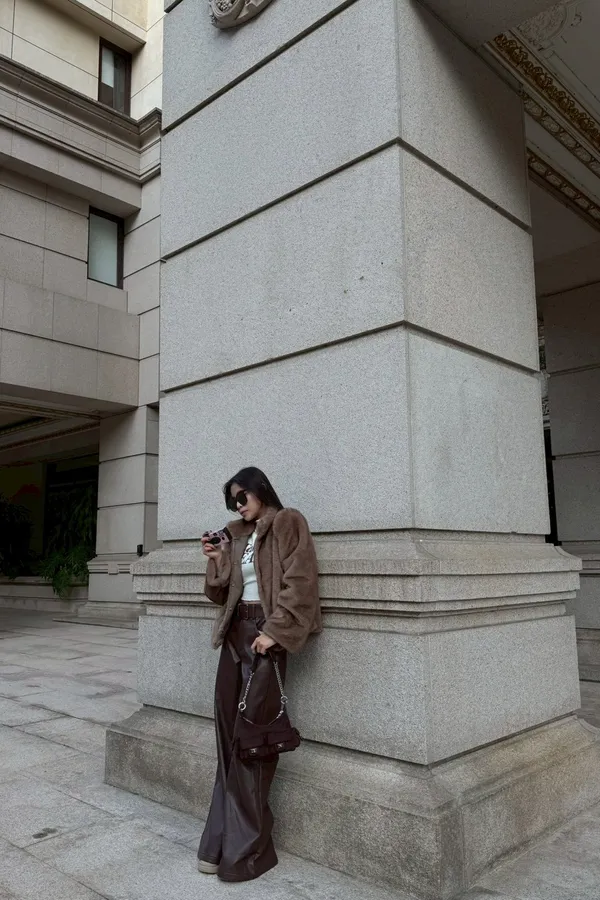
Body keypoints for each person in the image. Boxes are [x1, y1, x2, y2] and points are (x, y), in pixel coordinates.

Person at [197, 466, 321, 882]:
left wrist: (275, 632)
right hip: (234, 637)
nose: (237, 505)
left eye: (241, 496)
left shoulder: (287, 522)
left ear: (259, 490)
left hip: (264, 639)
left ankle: (247, 852)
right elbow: (220, 594)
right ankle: (218, 843)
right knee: (227, 738)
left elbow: (300, 582)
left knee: (252, 741)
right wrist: (217, 560)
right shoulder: (238, 536)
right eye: (231, 500)